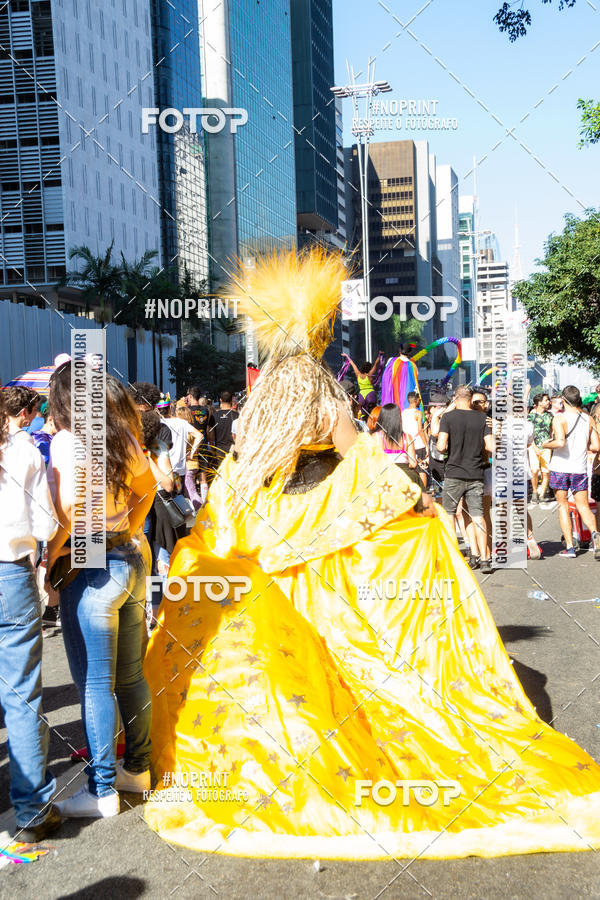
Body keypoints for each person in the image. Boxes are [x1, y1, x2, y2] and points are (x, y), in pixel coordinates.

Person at [143, 248, 600, 859]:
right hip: (332, 535)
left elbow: (241, 469)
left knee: (283, 659)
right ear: (318, 340)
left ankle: (271, 763)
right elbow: (362, 462)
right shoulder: (325, 397)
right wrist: (420, 504)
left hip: (269, 534)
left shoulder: (259, 404)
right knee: (355, 646)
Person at [47, 365, 156, 818]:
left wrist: (53, 557)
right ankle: (138, 767)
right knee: (130, 677)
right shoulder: (121, 436)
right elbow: (148, 486)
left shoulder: (66, 441)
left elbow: (68, 508)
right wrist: (125, 528)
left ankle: (102, 789)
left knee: (94, 684)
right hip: (129, 557)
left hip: (88, 564)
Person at [0, 388, 61, 842]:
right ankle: (31, 812)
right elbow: (45, 523)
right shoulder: (24, 451)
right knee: (21, 690)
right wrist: (44, 564)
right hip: (11, 571)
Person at [436, 384, 495, 573]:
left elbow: (441, 446)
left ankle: (453, 556)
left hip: (454, 473)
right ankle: (485, 559)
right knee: (478, 515)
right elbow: (491, 446)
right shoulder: (482, 418)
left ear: (455, 398)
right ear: (471, 399)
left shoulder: (448, 417)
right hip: (476, 473)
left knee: (450, 514)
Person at [542, 385, 600, 560]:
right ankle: (596, 536)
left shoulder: (559, 418)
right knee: (582, 505)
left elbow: (559, 442)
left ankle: (569, 547)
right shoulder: (588, 418)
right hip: (579, 468)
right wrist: (583, 445)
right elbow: (596, 446)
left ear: (563, 400)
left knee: (563, 505)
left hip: (560, 467)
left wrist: (545, 444)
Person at [373, 402, 421, 492]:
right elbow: (414, 463)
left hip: (385, 478)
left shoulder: (377, 437)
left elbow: (375, 462)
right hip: (406, 476)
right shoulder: (407, 437)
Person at [527, 393, 553, 502]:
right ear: (539, 403)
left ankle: (542, 494)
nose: (548, 402)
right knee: (534, 470)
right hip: (533, 446)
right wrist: (534, 446)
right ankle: (534, 491)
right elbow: (528, 434)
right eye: (546, 400)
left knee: (546, 471)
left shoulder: (550, 416)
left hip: (547, 447)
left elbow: (552, 430)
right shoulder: (530, 417)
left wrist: (551, 440)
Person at [401, 391, 428, 486]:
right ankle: (424, 492)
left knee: (411, 469)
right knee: (422, 470)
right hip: (419, 444)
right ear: (415, 400)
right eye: (419, 400)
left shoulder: (402, 413)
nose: (420, 402)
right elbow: (420, 430)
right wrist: (426, 445)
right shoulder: (418, 413)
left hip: (407, 445)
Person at [208, 390, 239, 455]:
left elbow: (210, 433)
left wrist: (212, 447)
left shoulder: (214, 416)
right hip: (233, 449)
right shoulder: (236, 415)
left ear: (220, 400)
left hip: (219, 449)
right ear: (231, 401)